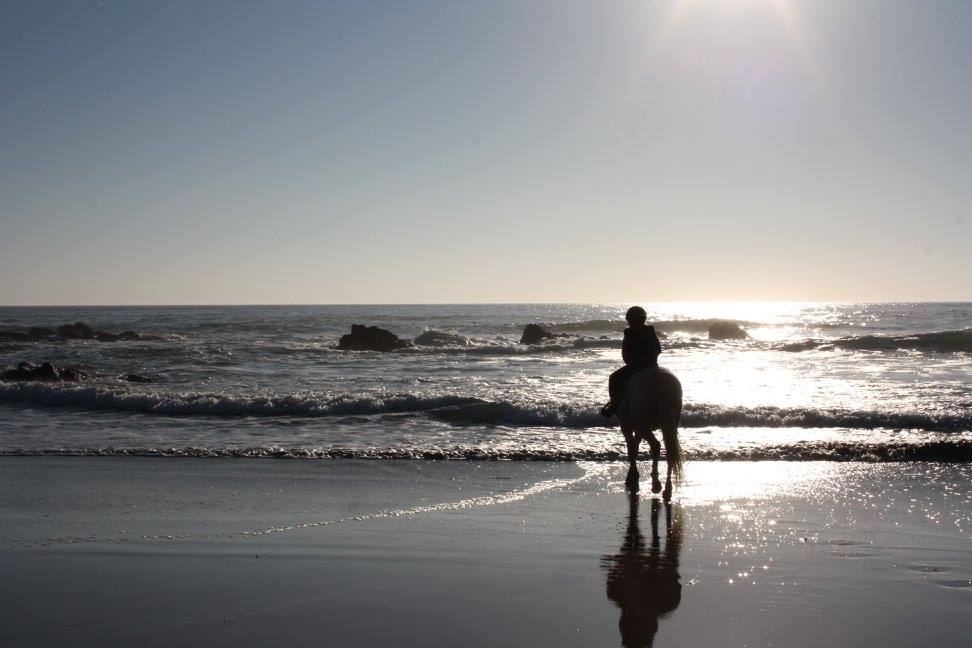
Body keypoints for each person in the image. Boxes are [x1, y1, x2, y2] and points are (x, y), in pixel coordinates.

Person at [601, 306, 661, 418]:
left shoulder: (630, 333)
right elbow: (658, 350)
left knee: (613, 378)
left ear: (630, 320)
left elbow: (626, 355)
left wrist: (635, 362)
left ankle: (613, 405)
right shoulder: (650, 331)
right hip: (653, 366)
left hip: (636, 367)